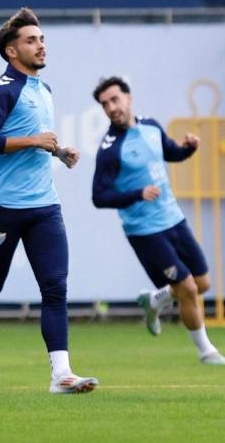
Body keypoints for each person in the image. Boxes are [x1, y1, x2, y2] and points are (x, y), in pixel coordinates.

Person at [0, 8, 99, 394]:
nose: (40, 45)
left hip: (44, 205)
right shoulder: (3, 90)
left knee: (55, 287)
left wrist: (59, 152)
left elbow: (38, 138)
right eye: (31, 40)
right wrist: (35, 142)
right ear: (12, 51)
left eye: (42, 38)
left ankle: (61, 374)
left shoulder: (44, 90)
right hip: (3, 205)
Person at [91, 76, 224, 364]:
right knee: (187, 288)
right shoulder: (110, 149)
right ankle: (206, 351)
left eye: (115, 100)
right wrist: (137, 193)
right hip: (144, 230)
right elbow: (99, 196)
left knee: (202, 284)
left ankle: (155, 301)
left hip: (173, 218)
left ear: (129, 98)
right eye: (105, 105)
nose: (111, 107)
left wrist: (188, 148)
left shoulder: (150, 124)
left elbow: (169, 152)